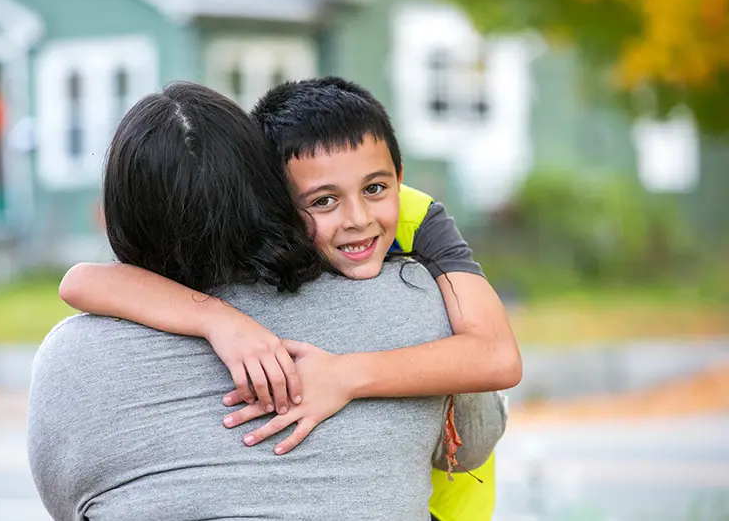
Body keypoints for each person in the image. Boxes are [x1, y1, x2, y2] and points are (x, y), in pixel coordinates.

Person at [27, 82, 506, 520]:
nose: (356, 218)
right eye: (322, 201)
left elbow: (72, 502)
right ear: (270, 194)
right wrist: (218, 319)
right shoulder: (416, 298)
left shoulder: (69, 358)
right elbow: (474, 440)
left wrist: (344, 374)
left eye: (376, 189)